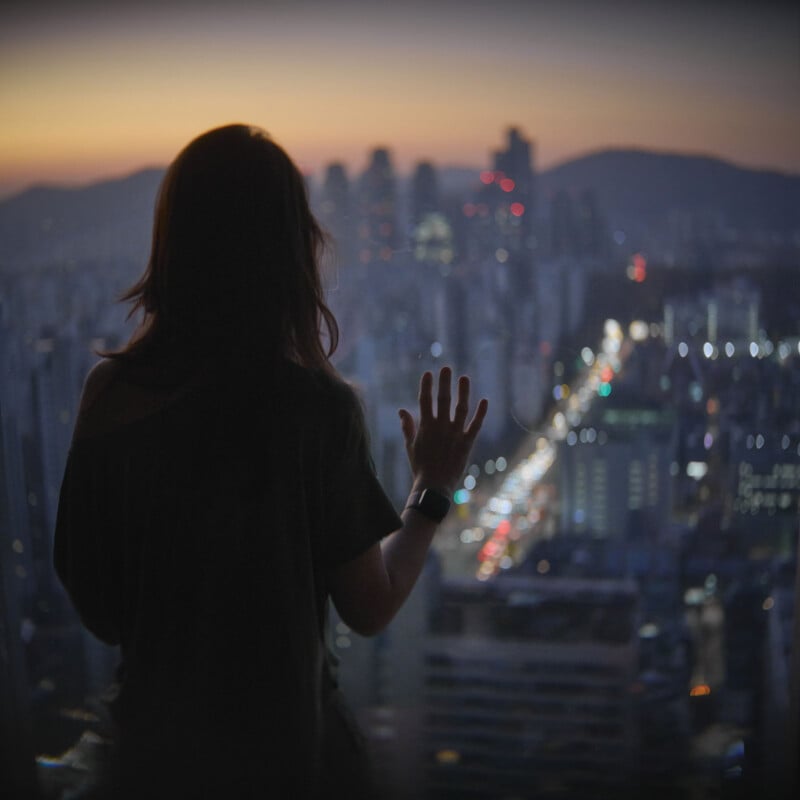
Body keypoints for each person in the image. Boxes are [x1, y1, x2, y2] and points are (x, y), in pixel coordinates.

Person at [53, 124, 487, 799]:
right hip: (291, 762)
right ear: (292, 249)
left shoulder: (107, 396)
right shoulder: (316, 409)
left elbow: (100, 608)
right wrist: (430, 491)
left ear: (173, 244)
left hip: (151, 766)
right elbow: (369, 608)